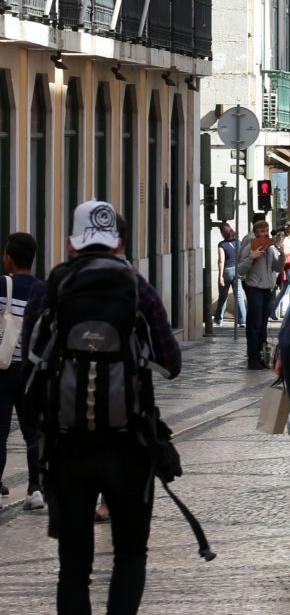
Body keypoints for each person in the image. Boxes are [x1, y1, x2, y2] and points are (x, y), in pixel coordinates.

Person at [20, 200, 182, 614]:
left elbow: (31, 362)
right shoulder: (137, 287)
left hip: (66, 447)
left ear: (73, 244)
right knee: (130, 554)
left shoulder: (52, 286)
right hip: (128, 444)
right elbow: (172, 362)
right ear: (119, 244)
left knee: (73, 569)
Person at [0, 233, 44, 508]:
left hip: (3, 369)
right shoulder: (44, 290)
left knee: (0, 431)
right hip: (33, 370)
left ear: (9, 258)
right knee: (32, 432)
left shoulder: (3, 286)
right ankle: (35, 488)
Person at [237, 220, 284, 369]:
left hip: (268, 289)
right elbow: (240, 270)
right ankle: (253, 358)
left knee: (263, 325)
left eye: (267, 231)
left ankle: (263, 356)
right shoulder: (250, 246)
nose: (265, 234)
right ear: (256, 233)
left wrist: (282, 255)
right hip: (254, 288)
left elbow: (277, 267)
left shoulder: (270, 248)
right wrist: (252, 257)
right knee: (254, 324)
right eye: (262, 231)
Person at [213, 222, 246, 327]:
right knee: (239, 296)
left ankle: (219, 319)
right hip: (237, 271)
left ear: (224, 233)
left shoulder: (222, 244)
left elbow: (221, 261)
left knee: (223, 296)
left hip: (226, 271)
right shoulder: (239, 242)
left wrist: (220, 276)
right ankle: (242, 320)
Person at [271, 221, 290, 321]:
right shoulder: (286, 240)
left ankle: (272, 311)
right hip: (289, 268)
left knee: (284, 291)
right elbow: (283, 252)